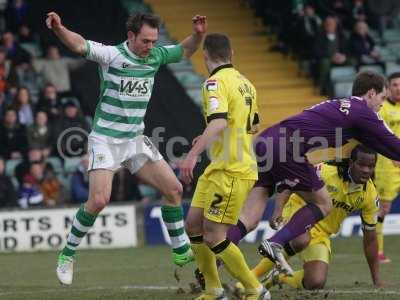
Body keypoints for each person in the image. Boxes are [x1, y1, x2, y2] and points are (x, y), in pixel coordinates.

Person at [45, 11, 207, 285]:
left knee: (175, 189)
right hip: (106, 139)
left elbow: (184, 50)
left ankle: (180, 251)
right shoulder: (111, 55)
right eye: (145, 41)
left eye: (154, 41)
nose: (151, 46)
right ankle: (67, 254)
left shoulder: (155, 56)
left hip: (134, 140)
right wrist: (59, 28)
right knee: (98, 200)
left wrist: (199, 35)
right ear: (131, 36)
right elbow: (78, 45)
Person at [225, 71, 400, 276]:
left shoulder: (343, 107)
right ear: (371, 93)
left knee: (250, 217)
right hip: (287, 148)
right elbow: (392, 143)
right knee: (324, 203)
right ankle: (275, 243)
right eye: (381, 97)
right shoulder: (362, 111)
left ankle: (212, 262)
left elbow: (380, 146)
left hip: (267, 140)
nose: (382, 103)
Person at [179, 33, 269, 300]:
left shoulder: (213, 83)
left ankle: (256, 289)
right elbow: (252, 126)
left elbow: (218, 122)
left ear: (204, 55)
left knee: (215, 235)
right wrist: (210, 137)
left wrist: (193, 154)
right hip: (221, 166)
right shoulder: (246, 84)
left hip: (232, 170)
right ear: (232, 54)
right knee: (193, 225)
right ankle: (213, 289)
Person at [235, 145, 381, 292]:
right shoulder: (325, 171)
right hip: (297, 212)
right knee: (301, 238)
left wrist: (376, 279)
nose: (366, 170)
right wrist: (278, 210)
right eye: (361, 164)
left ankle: (279, 277)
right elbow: (290, 183)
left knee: (315, 282)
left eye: (371, 166)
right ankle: (250, 278)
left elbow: (370, 239)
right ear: (351, 163)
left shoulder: (370, 195)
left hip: (322, 234)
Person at [373, 72, 400, 263]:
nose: (398, 88)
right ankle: (377, 250)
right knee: (384, 209)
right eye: (395, 85)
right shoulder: (382, 109)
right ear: (388, 88)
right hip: (387, 166)